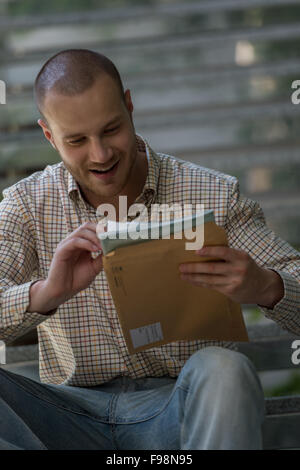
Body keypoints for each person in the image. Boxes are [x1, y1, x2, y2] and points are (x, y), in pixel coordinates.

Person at [0, 48, 299, 451]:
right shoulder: (25, 206)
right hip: (69, 417)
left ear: (129, 105)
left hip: (180, 408)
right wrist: (45, 293)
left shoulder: (212, 194)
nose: (100, 154)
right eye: (76, 140)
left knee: (227, 369)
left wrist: (266, 285)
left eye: (110, 130)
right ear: (49, 136)